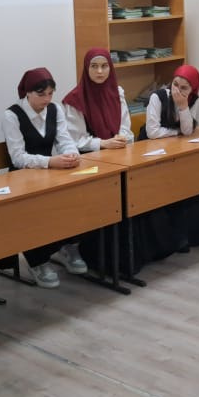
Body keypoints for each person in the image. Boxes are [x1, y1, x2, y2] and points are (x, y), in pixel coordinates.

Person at [1, 67, 88, 288]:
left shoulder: (55, 109)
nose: (47, 99)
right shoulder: (12, 115)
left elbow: (64, 139)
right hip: (22, 178)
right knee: (35, 211)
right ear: (27, 93)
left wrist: (72, 154)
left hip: (49, 173)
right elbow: (18, 157)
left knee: (75, 197)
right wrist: (50, 162)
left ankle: (68, 247)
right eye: (41, 94)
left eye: (50, 94)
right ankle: (37, 261)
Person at [63, 48, 136, 275]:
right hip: (90, 160)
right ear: (86, 69)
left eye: (104, 66)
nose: (100, 71)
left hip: (118, 155)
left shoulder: (117, 92)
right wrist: (103, 143)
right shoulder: (74, 100)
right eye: (94, 66)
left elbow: (126, 126)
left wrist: (122, 138)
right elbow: (75, 139)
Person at [140, 65, 199, 254]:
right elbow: (152, 132)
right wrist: (176, 132)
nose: (177, 91)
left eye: (184, 88)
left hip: (175, 148)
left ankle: (189, 234)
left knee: (193, 178)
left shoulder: (193, 101)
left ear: (192, 90)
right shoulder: (157, 97)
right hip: (152, 150)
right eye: (175, 84)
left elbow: (187, 131)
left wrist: (183, 107)